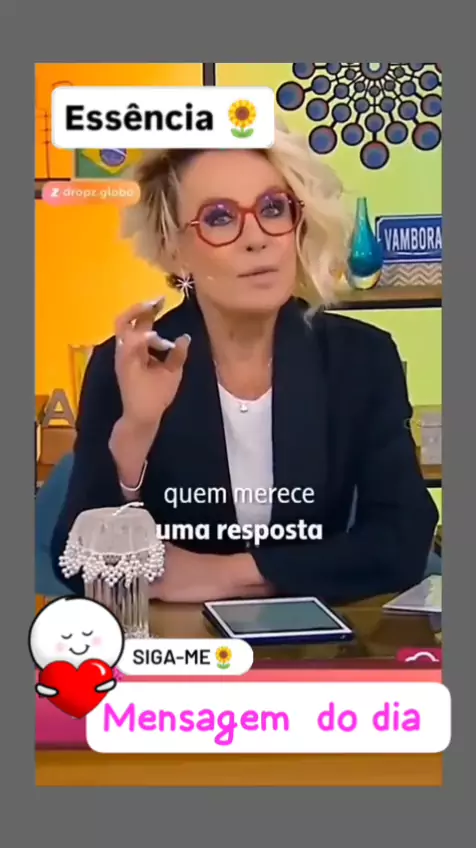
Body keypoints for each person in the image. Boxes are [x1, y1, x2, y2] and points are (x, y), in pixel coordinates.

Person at [51, 124, 438, 604]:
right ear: (174, 248)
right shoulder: (129, 361)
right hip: (176, 641)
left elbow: (403, 539)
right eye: (219, 218)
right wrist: (136, 432)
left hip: (316, 638)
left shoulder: (361, 358)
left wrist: (227, 574)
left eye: (273, 209)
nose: (257, 238)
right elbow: (78, 558)